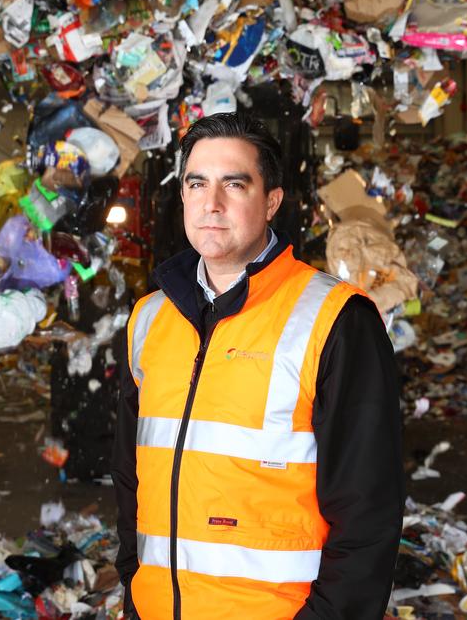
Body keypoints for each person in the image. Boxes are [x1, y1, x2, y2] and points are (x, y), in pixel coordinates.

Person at [111, 112, 404, 620]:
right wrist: (135, 590)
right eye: (197, 183)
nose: (212, 203)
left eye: (235, 184)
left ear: (272, 200)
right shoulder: (149, 318)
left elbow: (367, 510)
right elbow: (129, 478)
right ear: (182, 195)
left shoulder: (335, 320)